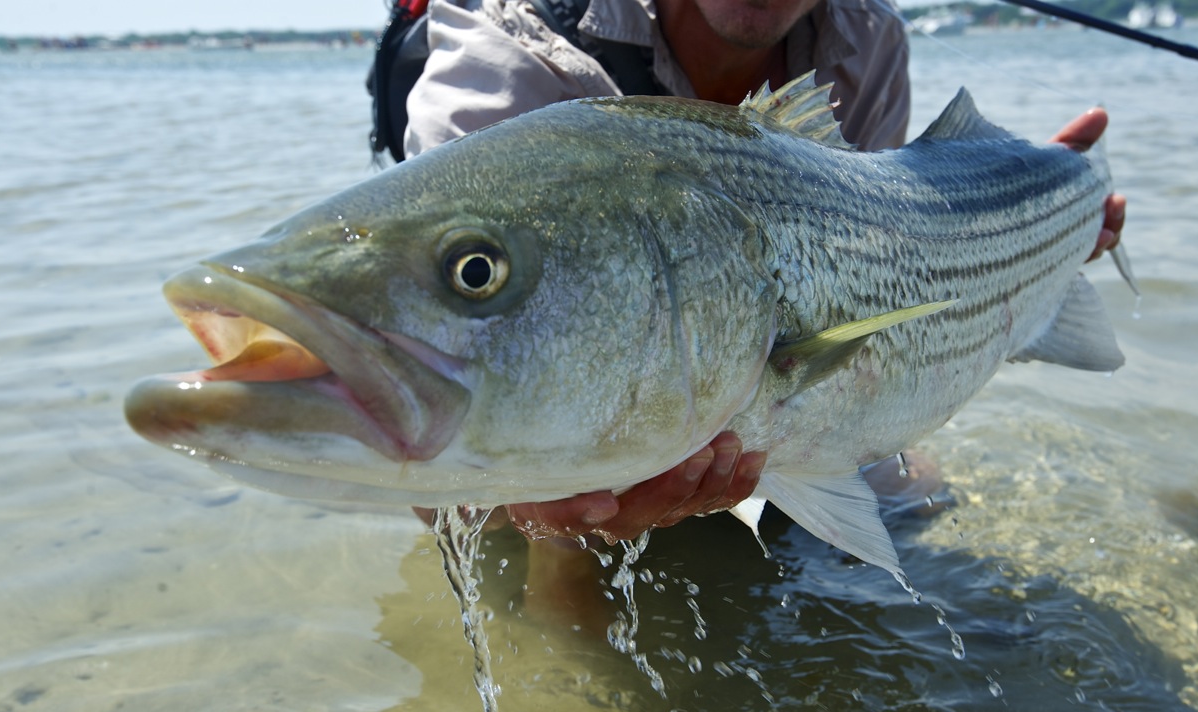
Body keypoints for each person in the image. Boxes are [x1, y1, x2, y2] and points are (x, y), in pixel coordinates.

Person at [399, 0, 1127, 551]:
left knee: (919, 495)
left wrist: (1038, 239)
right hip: (633, 393)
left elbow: (891, 255)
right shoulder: (509, 42)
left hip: (760, 378)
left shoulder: (867, 39)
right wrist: (527, 502)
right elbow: (430, 434)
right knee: (535, 535)